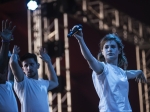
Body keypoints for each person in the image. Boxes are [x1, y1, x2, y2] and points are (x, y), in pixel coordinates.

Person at [71, 25, 147, 112]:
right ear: (102, 52)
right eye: (106, 47)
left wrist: (139, 72)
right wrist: (81, 40)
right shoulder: (102, 68)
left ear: (119, 51)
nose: (109, 49)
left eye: (113, 47)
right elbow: (90, 59)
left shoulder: (121, 72)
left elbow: (130, 73)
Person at [9, 44, 59, 112]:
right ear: (23, 69)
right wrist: (14, 54)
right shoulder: (23, 82)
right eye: (26, 66)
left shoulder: (43, 82)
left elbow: (55, 82)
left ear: (38, 66)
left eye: (31, 64)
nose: (29, 68)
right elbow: (13, 63)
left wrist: (48, 62)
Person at [0, 20, 18, 112]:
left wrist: (12, 58)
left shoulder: (8, 85)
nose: (2, 72)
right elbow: (2, 66)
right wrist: (5, 43)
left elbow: (8, 72)